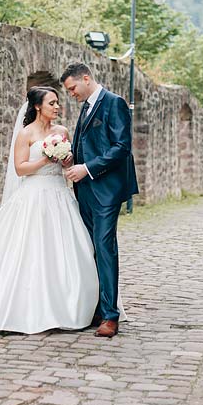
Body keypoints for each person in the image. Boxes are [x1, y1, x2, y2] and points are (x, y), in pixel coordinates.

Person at [0, 86, 101, 335]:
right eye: (52, 103)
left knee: (67, 249)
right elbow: (21, 168)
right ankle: (26, 309)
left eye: (58, 102)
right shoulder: (25, 134)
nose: (57, 107)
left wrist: (66, 159)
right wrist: (45, 159)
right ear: (38, 106)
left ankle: (69, 307)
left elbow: (69, 161)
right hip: (34, 195)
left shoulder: (63, 131)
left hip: (60, 195)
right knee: (30, 250)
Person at [60, 63, 138, 338]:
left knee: (105, 248)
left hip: (106, 190)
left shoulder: (114, 103)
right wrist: (73, 159)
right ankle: (94, 307)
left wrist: (88, 168)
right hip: (85, 191)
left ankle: (110, 316)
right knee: (88, 248)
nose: (71, 94)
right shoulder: (85, 108)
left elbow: (121, 147)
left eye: (72, 88)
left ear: (86, 78)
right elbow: (88, 144)